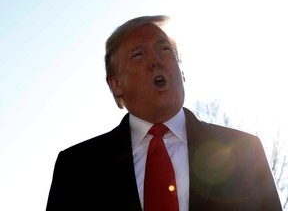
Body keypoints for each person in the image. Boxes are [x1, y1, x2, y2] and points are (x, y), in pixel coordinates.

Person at [46, 15, 282, 211]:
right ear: (116, 84)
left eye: (165, 49)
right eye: (138, 54)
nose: (156, 60)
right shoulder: (76, 168)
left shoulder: (245, 152)